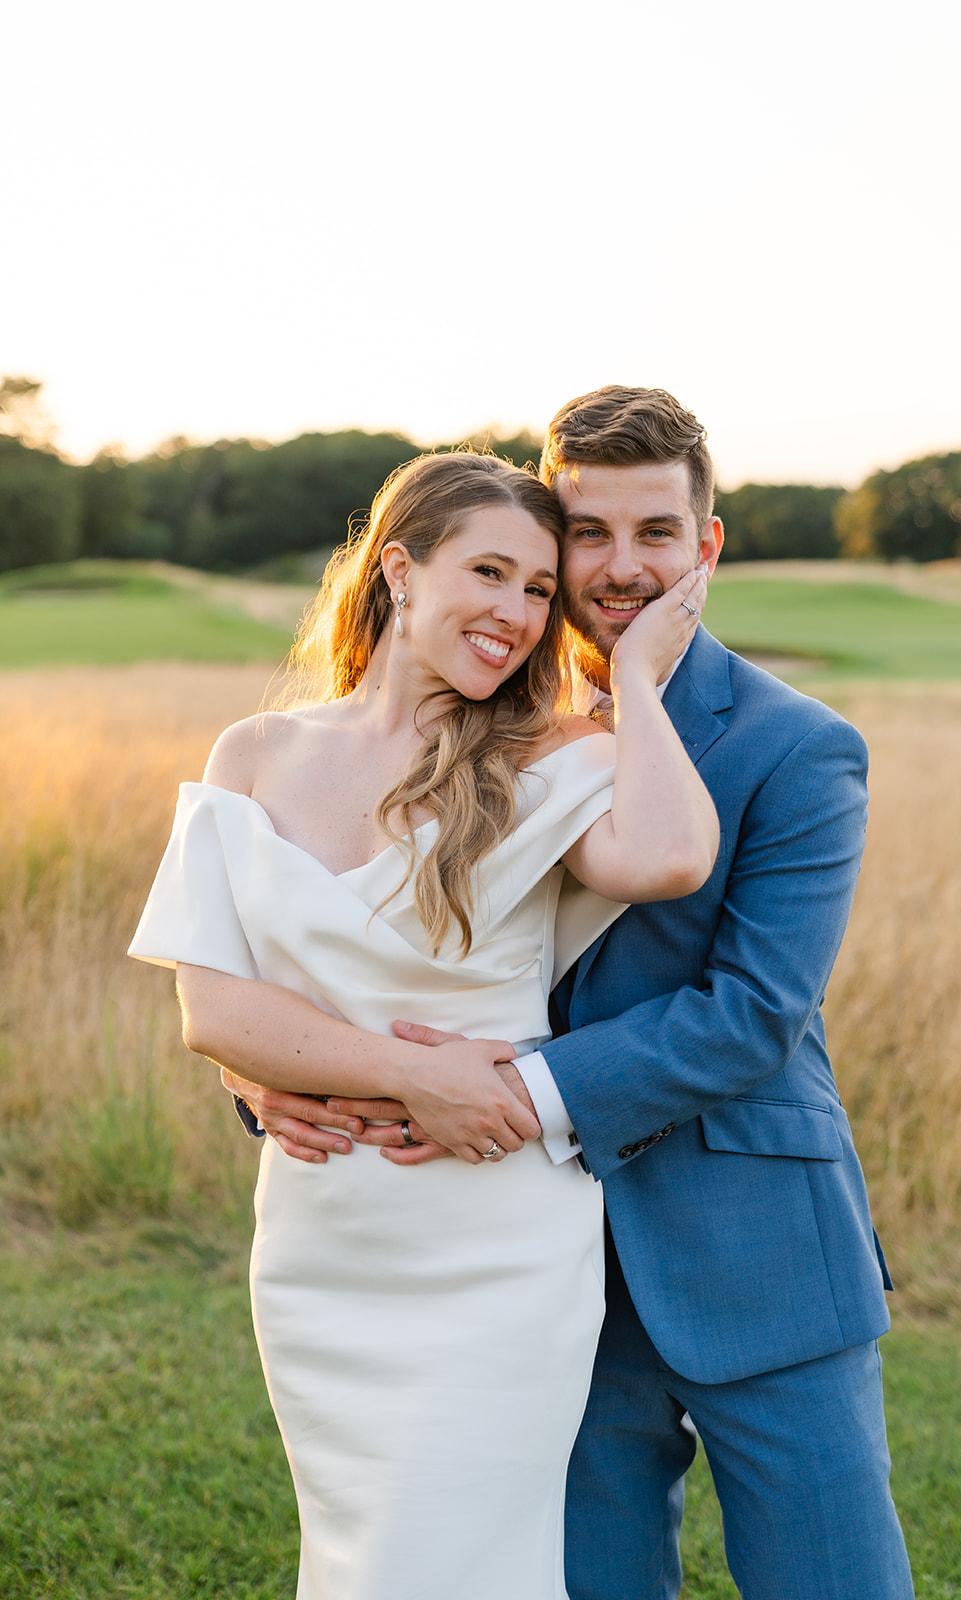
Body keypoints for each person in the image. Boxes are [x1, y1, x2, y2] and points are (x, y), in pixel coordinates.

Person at [233, 388, 914, 1600]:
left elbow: (750, 1013)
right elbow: (364, 944)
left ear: (705, 545)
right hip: (529, 1275)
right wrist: (269, 1071)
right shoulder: (479, 728)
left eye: (655, 532)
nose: (618, 565)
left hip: (751, 1245)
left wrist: (502, 1092)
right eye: (585, 533)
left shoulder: (795, 745)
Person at [128, 448, 718, 1600]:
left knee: (472, 1548)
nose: (514, 610)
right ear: (399, 568)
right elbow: (216, 1007)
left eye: (538, 589)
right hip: (326, 1228)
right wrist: (410, 1081)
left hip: (495, 1230)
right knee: (360, 1553)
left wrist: (636, 683)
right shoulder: (254, 754)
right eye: (487, 570)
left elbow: (668, 854)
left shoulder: (545, 752)